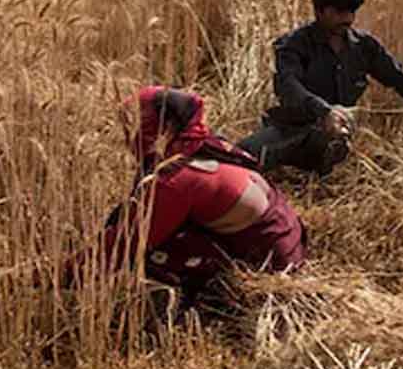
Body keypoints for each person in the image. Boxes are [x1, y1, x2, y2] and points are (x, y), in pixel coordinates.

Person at [79, 86, 307, 294]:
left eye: (137, 124)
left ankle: (176, 302)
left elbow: (124, 245)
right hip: (287, 239)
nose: (129, 136)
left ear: (165, 128)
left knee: (151, 254)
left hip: (271, 264)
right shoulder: (207, 146)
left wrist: (54, 276)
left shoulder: (178, 179)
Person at [238, 0, 403, 176]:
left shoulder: (364, 46)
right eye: (340, 12)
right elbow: (289, 86)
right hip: (292, 128)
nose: (348, 18)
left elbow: (400, 79)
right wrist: (324, 112)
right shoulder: (293, 45)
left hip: (339, 131)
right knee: (243, 155)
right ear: (320, 11)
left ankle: (325, 156)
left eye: (352, 12)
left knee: (333, 142)